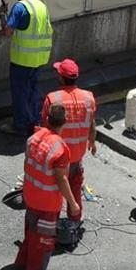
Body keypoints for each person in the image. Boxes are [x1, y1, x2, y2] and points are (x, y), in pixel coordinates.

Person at [15, 104, 80, 270]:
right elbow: (61, 180)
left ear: (46, 118)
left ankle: (22, 264)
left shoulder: (33, 138)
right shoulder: (60, 148)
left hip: (30, 196)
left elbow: (27, 165)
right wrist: (73, 203)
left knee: (30, 233)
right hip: (47, 203)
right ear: (64, 122)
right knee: (43, 241)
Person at [42, 59, 96, 224]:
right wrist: (92, 143)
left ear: (61, 77)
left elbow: (46, 128)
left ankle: (52, 223)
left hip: (58, 157)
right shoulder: (89, 98)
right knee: (75, 187)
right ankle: (75, 219)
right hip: (76, 156)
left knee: (56, 191)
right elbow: (92, 124)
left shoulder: (52, 99)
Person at [0, 0, 54, 135]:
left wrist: (3, 15)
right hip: (39, 59)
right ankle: (35, 122)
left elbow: (8, 32)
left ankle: (21, 126)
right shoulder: (41, 5)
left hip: (22, 60)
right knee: (33, 92)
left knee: (20, 94)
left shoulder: (20, 7)